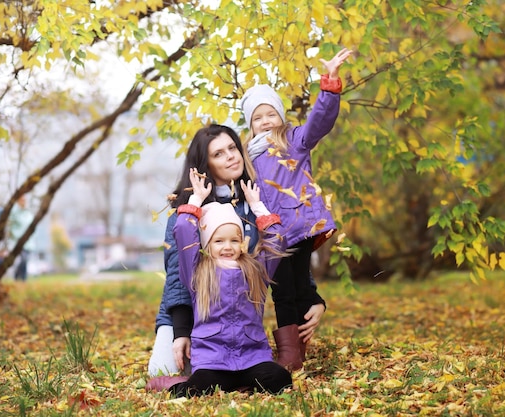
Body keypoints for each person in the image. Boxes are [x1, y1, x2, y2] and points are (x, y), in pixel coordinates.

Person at [148, 124, 326, 377]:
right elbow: (178, 278)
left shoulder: (255, 203)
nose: (231, 156)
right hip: (193, 315)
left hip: (239, 321)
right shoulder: (186, 213)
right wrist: (181, 332)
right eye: (218, 153)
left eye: (232, 147)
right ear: (205, 164)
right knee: (162, 371)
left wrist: (312, 297)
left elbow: (282, 253)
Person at [239, 47, 352, 370]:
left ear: (281, 116)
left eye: (270, 114)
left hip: (299, 225)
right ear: (250, 123)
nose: (265, 122)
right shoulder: (247, 154)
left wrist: (329, 84)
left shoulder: (294, 140)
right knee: (283, 291)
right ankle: (293, 350)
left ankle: (295, 351)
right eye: (257, 118)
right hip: (270, 234)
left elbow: (320, 121)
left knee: (296, 283)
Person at [145, 169, 292, 396]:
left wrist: (257, 206)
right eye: (219, 240)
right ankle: (174, 384)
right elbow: (184, 230)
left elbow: (278, 241)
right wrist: (196, 200)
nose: (227, 246)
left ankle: (240, 385)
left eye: (234, 240)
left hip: (251, 357)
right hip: (213, 359)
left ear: (242, 242)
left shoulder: (254, 270)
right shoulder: (197, 272)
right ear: (207, 244)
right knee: (196, 388)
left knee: (280, 379)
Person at [8, 194, 36, 282]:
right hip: (17, 242)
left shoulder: (28, 213)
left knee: (25, 261)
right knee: (22, 260)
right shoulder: (14, 212)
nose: (23, 202)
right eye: (21, 200)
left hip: (28, 243)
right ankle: (18, 277)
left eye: (24, 200)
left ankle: (22, 279)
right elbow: (10, 227)